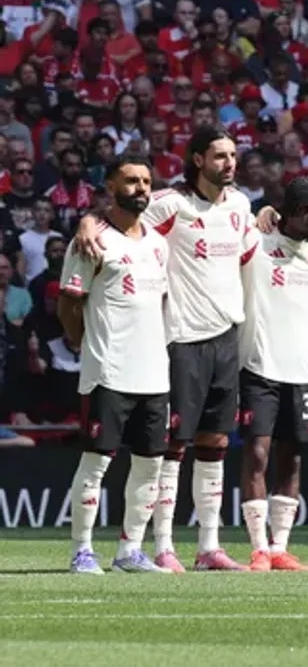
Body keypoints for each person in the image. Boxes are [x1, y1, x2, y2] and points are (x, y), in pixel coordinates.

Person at [74, 126, 256, 573]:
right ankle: (162, 544)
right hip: (181, 338)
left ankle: (209, 546)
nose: (229, 163)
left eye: (233, 155)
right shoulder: (171, 204)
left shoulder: (240, 204)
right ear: (198, 160)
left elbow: (257, 244)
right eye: (219, 156)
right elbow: (123, 213)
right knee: (173, 445)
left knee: (215, 441)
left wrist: (269, 213)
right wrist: (87, 221)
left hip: (226, 336)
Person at [58, 156, 171, 574]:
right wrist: (83, 343)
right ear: (110, 186)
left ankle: (130, 550)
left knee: (150, 464)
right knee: (97, 461)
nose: (141, 188)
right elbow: (69, 302)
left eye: (146, 181)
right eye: (131, 181)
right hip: (108, 370)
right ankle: (82, 550)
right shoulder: (92, 240)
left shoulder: (158, 243)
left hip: (154, 372)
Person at [236, 178, 308, 572]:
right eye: (305, 210)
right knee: (258, 453)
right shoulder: (258, 243)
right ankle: (258, 548)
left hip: (301, 371)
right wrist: (261, 210)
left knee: (292, 458)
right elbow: (229, 220)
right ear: (288, 212)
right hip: (259, 367)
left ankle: (279, 548)